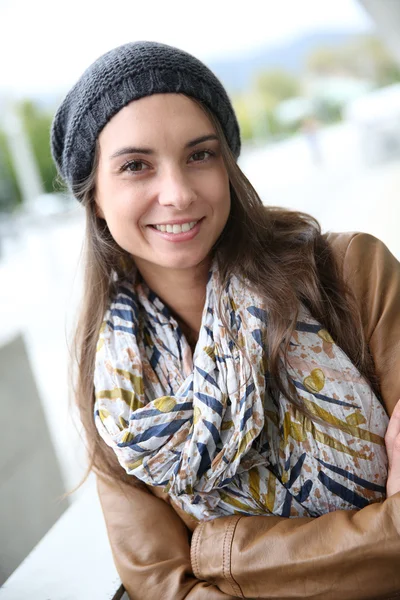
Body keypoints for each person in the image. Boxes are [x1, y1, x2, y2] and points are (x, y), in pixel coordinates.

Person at [50, 41, 400, 599]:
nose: (179, 193)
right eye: (136, 166)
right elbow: (165, 586)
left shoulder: (352, 273)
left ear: (228, 165)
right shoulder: (117, 386)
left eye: (200, 155)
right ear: (94, 197)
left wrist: (226, 553)